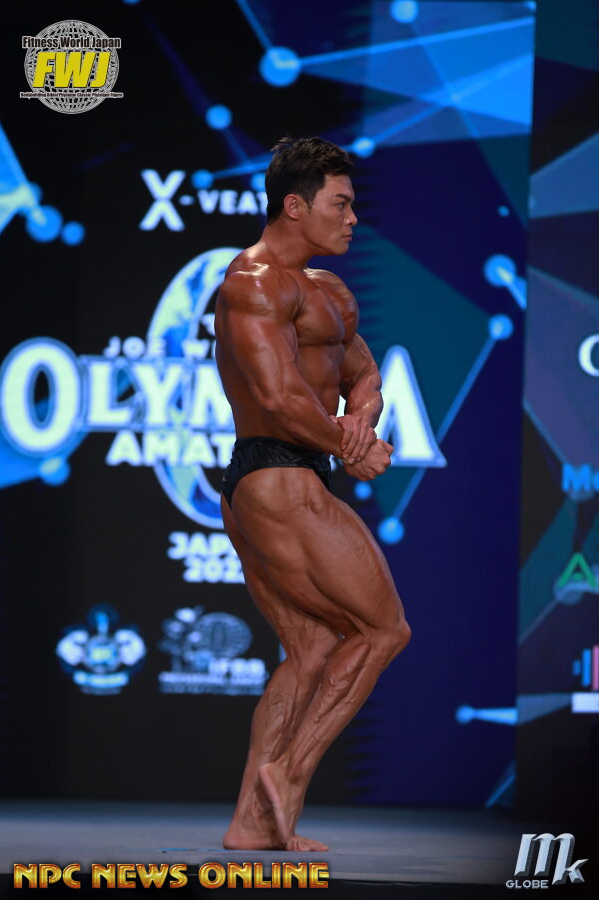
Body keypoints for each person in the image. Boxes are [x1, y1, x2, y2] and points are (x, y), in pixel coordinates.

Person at [214, 137, 411, 852]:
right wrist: (350, 446)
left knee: (313, 647)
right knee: (383, 630)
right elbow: (277, 396)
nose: (354, 218)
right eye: (342, 204)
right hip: (276, 473)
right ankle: (289, 775)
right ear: (295, 206)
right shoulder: (252, 283)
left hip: (292, 473)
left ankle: (250, 823)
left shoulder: (328, 289)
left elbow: (366, 375)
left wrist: (360, 421)